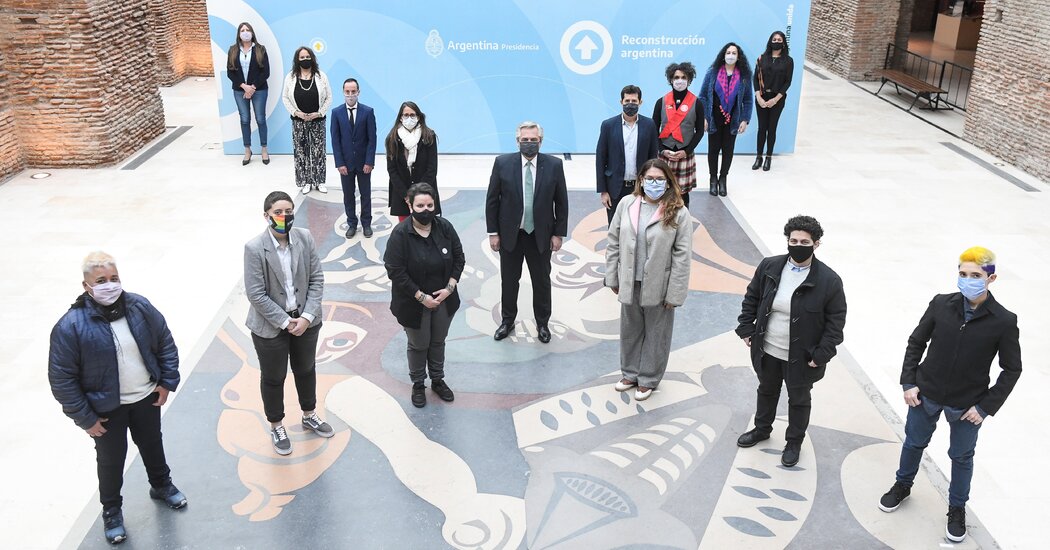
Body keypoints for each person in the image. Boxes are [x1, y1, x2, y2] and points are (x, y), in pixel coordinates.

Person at [878, 247, 1021, 544]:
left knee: (962, 456)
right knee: (914, 442)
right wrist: (909, 381)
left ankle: (957, 509)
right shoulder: (941, 304)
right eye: (963, 274)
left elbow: (1011, 369)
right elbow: (916, 341)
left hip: (967, 404)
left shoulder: (1004, 320)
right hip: (925, 393)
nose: (968, 280)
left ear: (991, 278)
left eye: (976, 275)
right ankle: (902, 485)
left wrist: (985, 407)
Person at [48, 251, 187, 545]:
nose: (109, 285)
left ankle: (161, 485)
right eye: (101, 281)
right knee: (111, 461)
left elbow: (165, 342)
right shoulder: (70, 326)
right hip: (106, 410)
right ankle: (111, 511)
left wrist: (166, 382)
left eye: (114, 278)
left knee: (152, 443)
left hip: (146, 397)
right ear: (86, 286)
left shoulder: (139, 307)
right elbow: (62, 379)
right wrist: (85, 418)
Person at [735, 215, 846, 467]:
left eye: (804, 242)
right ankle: (762, 429)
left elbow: (836, 323)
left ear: (816, 244)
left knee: (799, 399)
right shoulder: (770, 266)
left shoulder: (829, 281)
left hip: (802, 357)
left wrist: (821, 354)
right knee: (766, 390)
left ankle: (794, 442)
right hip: (768, 349)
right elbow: (752, 298)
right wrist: (746, 328)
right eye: (793, 240)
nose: (798, 245)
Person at [243, 191, 334, 456]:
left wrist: (306, 317)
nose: (284, 216)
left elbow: (317, 279)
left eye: (289, 211)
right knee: (274, 377)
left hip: (306, 321)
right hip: (270, 326)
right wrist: (285, 321)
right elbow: (256, 294)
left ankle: (309, 414)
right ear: (266, 216)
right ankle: (277, 425)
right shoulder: (254, 248)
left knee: (306, 369)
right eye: (278, 212)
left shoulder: (304, 238)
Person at [604, 159, 692, 401]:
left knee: (657, 333)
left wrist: (675, 293)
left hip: (660, 284)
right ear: (641, 180)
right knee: (630, 330)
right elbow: (613, 241)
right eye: (650, 178)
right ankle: (630, 373)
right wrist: (612, 276)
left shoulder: (679, 212)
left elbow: (682, 256)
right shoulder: (626, 204)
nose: (654, 183)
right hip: (630, 280)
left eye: (660, 179)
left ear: (668, 182)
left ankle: (649, 378)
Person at [486, 121, 569, 344]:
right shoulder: (502, 163)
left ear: (541, 141)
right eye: (525, 140)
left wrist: (558, 234)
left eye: (533, 140)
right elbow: (492, 200)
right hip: (511, 235)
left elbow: (561, 202)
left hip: (541, 236)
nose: (529, 143)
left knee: (541, 281)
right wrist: (493, 233)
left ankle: (542, 324)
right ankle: (507, 321)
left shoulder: (554, 165)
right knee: (509, 281)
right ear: (517, 141)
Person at [384, 183, 464, 407]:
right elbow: (395, 270)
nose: (426, 210)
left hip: (443, 301)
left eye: (430, 205)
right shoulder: (400, 234)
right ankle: (418, 384)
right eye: (420, 206)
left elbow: (459, 258)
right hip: (412, 303)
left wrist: (449, 289)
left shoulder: (444, 227)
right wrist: (421, 297)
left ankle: (437, 380)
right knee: (418, 344)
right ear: (410, 205)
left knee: (438, 341)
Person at [596, 85, 659, 223]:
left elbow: (653, 158)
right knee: (615, 226)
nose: (630, 104)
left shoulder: (649, 125)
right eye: (627, 101)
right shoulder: (608, 125)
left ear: (640, 102)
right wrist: (603, 191)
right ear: (621, 102)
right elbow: (601, 158)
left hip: (640, 188)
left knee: (640, 225)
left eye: (634, 101)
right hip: (614, 188)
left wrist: (651, 186)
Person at [700, 43, 754, 197]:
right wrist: (704, 117)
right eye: (728, 52)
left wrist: (745, 119)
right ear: (723, 55)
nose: (731, 55)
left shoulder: (744, 76)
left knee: (728, 150)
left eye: (734, 53)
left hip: (733, 119)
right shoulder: (712, 72)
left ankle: (723, 179)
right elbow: (703, 96)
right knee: (713, 150)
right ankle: (713, 179)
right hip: (714, 118)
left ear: (738, 57)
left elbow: (748, 100)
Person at [281, 46, 332, 194]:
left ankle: (319, 181)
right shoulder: (290, 77)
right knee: (301, 151)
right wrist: (296, 112)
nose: (305, 59)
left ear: (312, 58)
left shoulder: (321, 76)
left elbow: (329, 97)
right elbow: (285, 97)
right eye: (302, 57)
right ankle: (305, 181)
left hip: (318, 120)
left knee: (318, 151)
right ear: (297, 60)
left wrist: (319, 113)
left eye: (307, 57)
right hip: (298, 121)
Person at [331, 78, 378, 238]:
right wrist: (340, 163)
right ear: (343, 92)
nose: (350, 95)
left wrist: (369, 161)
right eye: (347, 92)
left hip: (364, 163)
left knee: (366, 194)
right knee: (348, 195)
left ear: (358, 92)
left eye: (353, 91)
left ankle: (366, 224)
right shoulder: (336, 113)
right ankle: (352, 223)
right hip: (346, 164)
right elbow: (335, 140)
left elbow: (372, 139)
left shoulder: (368, 112)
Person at [652, 62, 704, 206]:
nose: (679, 80)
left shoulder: (697, 103)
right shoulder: (661, 102)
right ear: (671, 79)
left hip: (685, 154)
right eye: (676, 77)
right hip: (665, 154)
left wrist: (687, 151)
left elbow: (700, 131)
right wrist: (662, 150)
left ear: (689, 80)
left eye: (683, 77)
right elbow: (653, 129)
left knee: (683, 193)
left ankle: (683, 218)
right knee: (661, 191)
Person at [386, 101, 439, 223]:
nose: (409, 118)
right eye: (406, 115)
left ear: (418, 117)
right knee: (405, 230)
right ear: (400, 117)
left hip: (425, 195)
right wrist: (406, 195)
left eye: (412, 115)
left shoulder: (429, 136)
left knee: (427, 228)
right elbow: (392, 170)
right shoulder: (392, 138)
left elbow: (432, 168)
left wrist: (419, 193)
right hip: (402, 195)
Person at [226, 22, 271, 166]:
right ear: (239, 34)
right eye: (242, 30)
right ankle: (247, 150)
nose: (245, 32)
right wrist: (244, 86)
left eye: (248, 30)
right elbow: (230, 72)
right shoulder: (233, 50)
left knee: (260, 119)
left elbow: (266, 72)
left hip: (259, 89)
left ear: (252, 32)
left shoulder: (260, 49)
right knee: (244, 120)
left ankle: (264, 149)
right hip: (240, 90)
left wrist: (252, 87)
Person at [752, 31, 794, 172]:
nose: (776, 41)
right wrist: (758, 97)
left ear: (783, 43)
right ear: (770, 41)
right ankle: (759, 157)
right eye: (774, 39)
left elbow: (787, 82)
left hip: (777, 99)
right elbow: (755, 78)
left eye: (779, 39)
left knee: (772, 128)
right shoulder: (761, 58)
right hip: (761, 98)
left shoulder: (788, 61)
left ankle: (768, 157)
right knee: (761, 128)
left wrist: (776, 99)